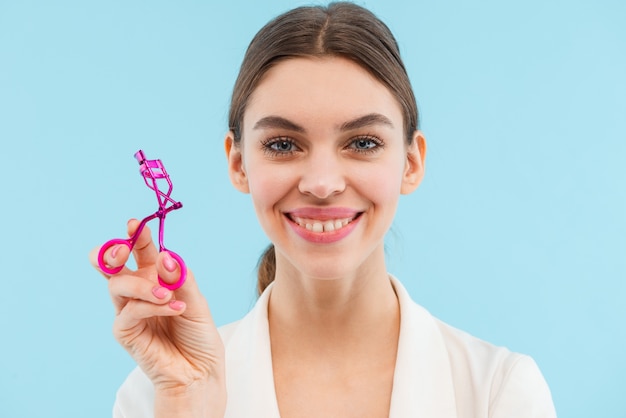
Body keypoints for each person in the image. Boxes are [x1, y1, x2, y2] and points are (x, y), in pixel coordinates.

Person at [91, 2, 557, 417]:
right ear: (238, 164)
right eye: (282, 144)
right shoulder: (157, 395)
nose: (321, 183)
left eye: (362, 142)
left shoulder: (500, 393)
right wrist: (188, 405)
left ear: (411, 163)